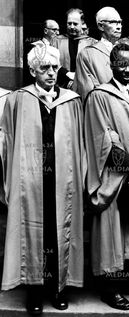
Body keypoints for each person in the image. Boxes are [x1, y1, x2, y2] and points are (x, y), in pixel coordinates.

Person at [0, 45, 86, 314]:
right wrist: (9, 183)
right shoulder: (18, 99)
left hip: (64, 182)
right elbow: (6, 142)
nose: (51, 73)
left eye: (54, 68)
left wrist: (80, 179)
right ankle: (35, 291)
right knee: (34, 234)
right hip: (31, 183)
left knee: (59, 233)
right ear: (32, 70)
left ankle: (58, 289)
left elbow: (81, 145)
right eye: (44, 68)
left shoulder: (72, 100)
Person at [84, 43, 129, 310]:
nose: (127, 69)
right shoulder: (99, 96)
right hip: (114, 177)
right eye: (121, 64)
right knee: (113, 232)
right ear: (111, 65)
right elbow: (101, 139)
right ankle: (110, 289)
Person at [73, 6, 129, 103]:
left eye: (119, 22)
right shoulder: (87, 54)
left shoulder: (128, 51)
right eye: (113, 22)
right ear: (100, 26)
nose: (119, 26)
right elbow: (87, 91)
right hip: (104, 109)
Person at [55, 8, 97, 89]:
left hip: (84, 86)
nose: (71, 27)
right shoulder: (56, 41)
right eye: (69, 23)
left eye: (75, 24)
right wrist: (66, 73)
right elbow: (51, 61)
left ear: (82, 23)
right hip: (61, 86)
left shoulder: (92, 43)